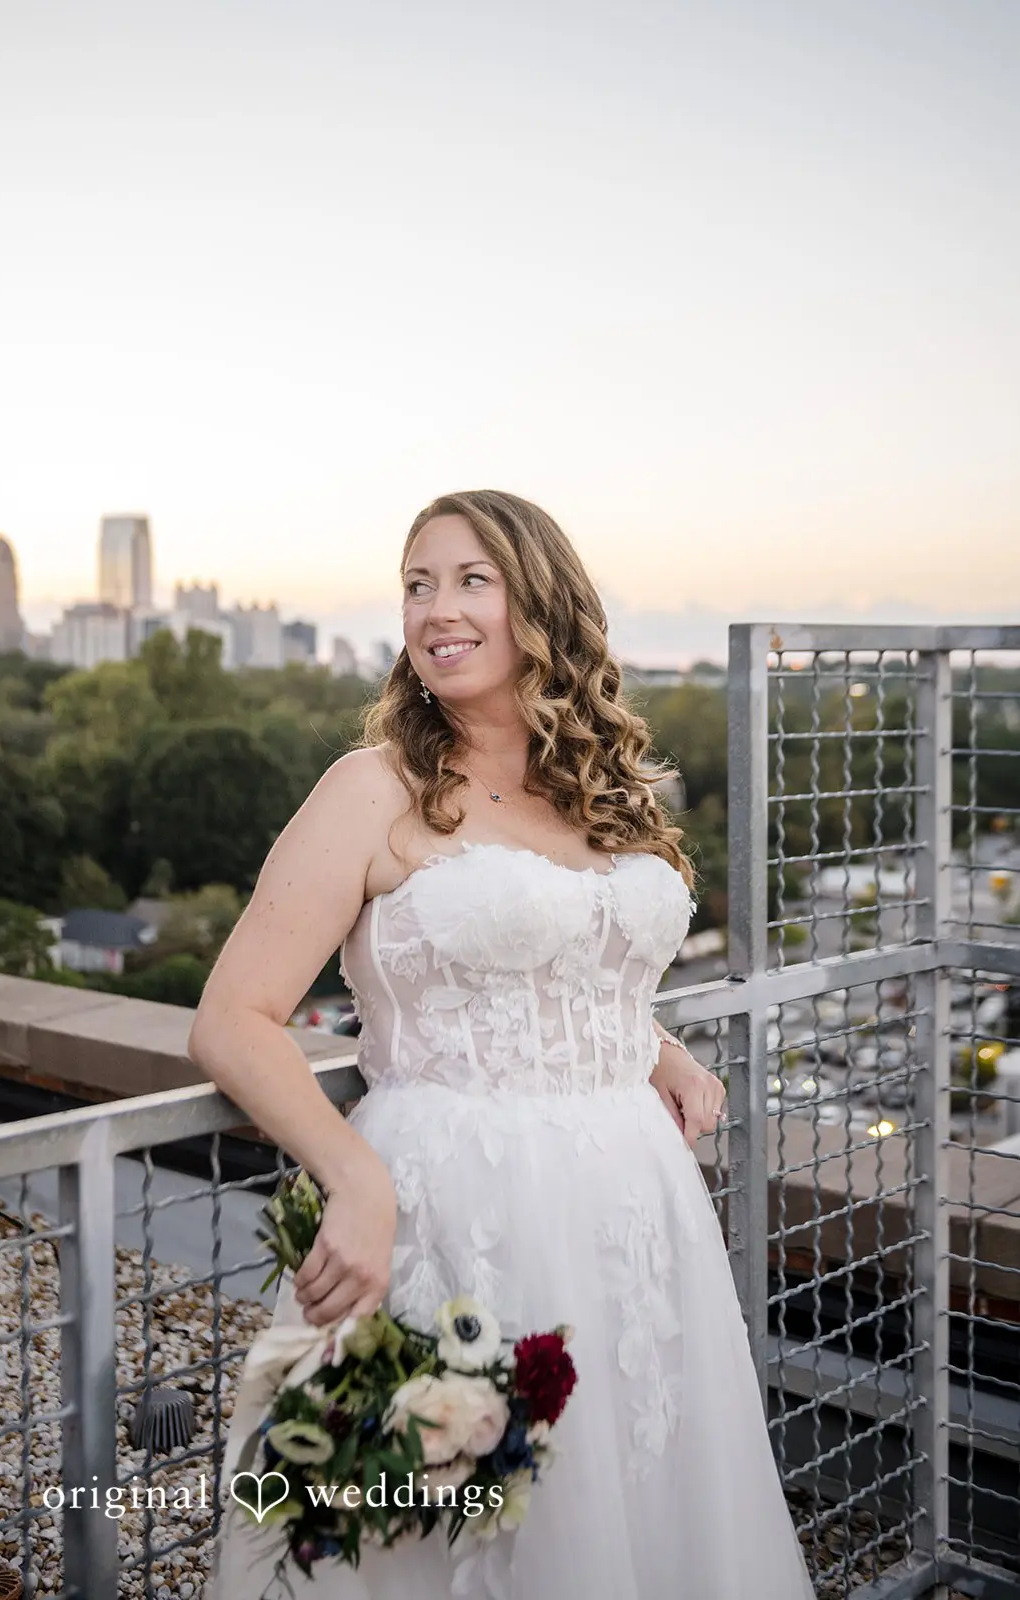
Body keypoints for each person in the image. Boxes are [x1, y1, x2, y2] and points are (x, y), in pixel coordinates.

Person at [191, 490, 815, 1599]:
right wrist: (355, 1180)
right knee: (447, 1535)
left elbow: (562, 960)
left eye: (470, 579)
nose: (436, 608)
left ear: (540, 600)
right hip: (457, 1215)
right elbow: (231, 1018)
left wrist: (648, 1044)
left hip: (633, 1209)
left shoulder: (600, 785)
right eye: (416, 585)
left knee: (636, 1506)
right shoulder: (371, 788)